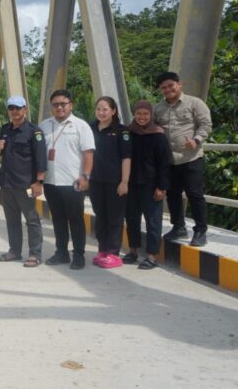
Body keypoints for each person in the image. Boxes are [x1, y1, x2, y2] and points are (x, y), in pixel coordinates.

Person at [154, 71, 212, 247]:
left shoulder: (195, 103)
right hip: (169, 160)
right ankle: (178, 227)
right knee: (172, 195)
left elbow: (206, 124)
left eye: (170, 85)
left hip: (191, 157)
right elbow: (154, 129)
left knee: (195, 195)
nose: (167, 89)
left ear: (179, 84)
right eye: (163, 87)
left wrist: (196, 140)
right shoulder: (158, 108)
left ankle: (201, 230)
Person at [40, 89, 95, 270]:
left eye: (63, 104)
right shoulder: (44, 126)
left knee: (75, 219)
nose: (59, 107)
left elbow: (88, 154)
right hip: (51, 182)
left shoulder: (81, 126)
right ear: (51, 107)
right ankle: (61, 252)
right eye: (55, 104)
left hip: (73, 183)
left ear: (71, 105)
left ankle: (78, 254)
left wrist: (85, 176)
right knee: (57, 219)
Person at [0, 95, 46, 267]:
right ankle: (14, 251)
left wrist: (39, 182)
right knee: (12, 220)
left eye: (18, 108)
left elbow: (41, 159)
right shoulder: (5, 129)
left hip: (25, 184)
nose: (14, 112)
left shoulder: (33, 132)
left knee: (31, 220)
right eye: (11, 108)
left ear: (25, 110)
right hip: (7, 183)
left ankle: (35, 254)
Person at [124, 100, 172, 270]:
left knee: (153, 221)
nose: (142, 117)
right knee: (131, 219)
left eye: (146, 114)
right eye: (139, 114)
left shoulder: (158, 135)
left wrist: (162, 187)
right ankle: (133, 251)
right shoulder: (128, 133)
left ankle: (151, 256)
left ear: (151, 115)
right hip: (131, 184)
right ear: (134, 114)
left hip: (151, 185)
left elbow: (164, 164)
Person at [88, 96, 131, 269]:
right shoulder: (90, 128)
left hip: (115, 182)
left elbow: (127, 158)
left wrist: (124, 181)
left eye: (105, 109)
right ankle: (102, 250)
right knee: (101, 217)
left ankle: (113, 253)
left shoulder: (122, 131)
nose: (101, 112)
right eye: (98, 108)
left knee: (115, 217)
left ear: (113, 111)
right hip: (95, 181)